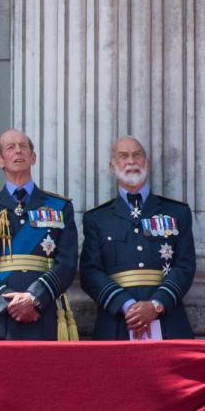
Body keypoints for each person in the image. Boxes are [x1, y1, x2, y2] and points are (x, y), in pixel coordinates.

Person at [0, 128, 78, 340]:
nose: (18, 152)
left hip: (43, 314)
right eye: (10, 147)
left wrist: (34, 298)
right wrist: (7, 303)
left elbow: (68, 262)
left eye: (23, 147)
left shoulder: (59, 207)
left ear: (33, 157)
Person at [79, 136, 196, 339]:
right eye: (123, 156)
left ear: (147, 163)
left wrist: (156, 304)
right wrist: (126, 305)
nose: (131, 161)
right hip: (115, 322)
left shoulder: (177, 212)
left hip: (168, 320)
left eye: (137, 155)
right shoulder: (97, 218)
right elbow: (90, 272)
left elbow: (185, 265)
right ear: (112, 166)